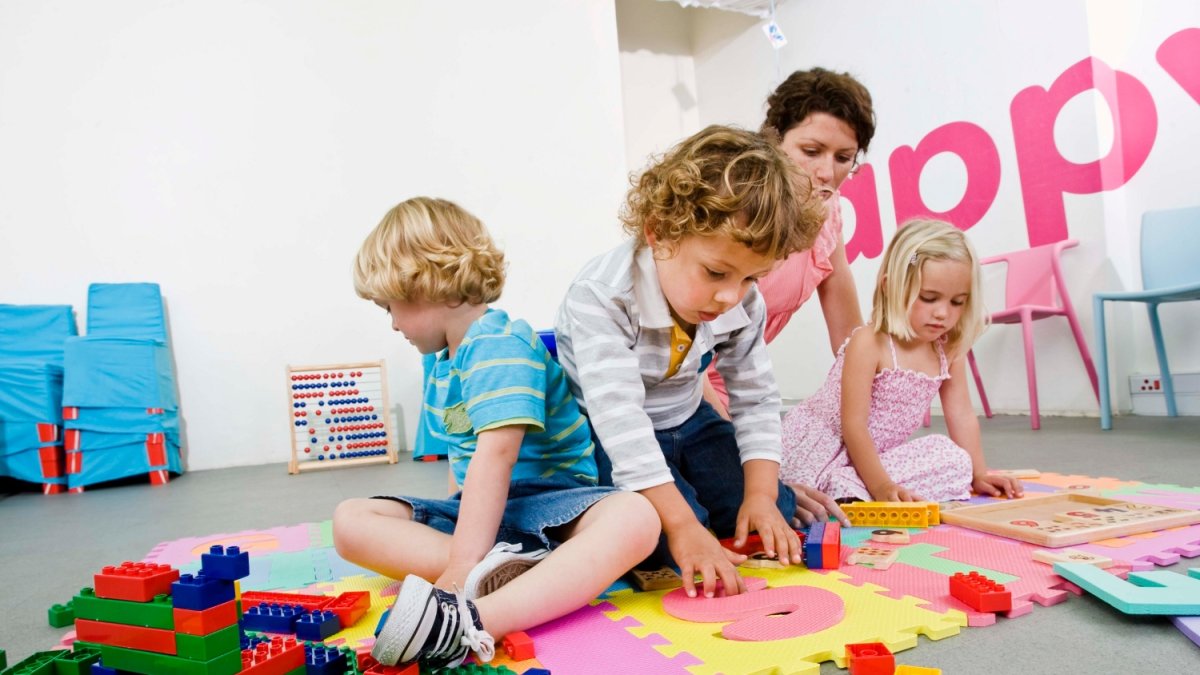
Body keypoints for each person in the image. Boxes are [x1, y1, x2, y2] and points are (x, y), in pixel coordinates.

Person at [333, 197, 660, 669]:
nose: (393, 324)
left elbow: (497, 456)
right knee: (350, 520)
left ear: (423, 284)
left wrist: (460, 567)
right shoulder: (445, 361)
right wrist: (463, 540)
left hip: (550, 502)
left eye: (391, 307)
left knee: (636, 517)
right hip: (486, 516)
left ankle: (473, 618)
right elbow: (464, 465)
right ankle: (527, 577)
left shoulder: (498, 343)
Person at [555, 125, 848, 601]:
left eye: (752, 277)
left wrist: (761, 495)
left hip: (690, 420)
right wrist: (681, 524)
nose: (730, 295)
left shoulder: (740, 301)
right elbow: (621, 423)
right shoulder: (602, 295)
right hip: (611, 437)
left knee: (766, 506)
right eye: (715, 272)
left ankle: (736, 502)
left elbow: (755, 397)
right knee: (659, 539)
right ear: (659, 232)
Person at [779, 219, 1024, 502]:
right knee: (829, 480)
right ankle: (837, 489)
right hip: (822, 448)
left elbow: (962, 414)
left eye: (958, 302)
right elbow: (853, 426)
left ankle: (848, 489)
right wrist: (881, 486)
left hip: (873, 458)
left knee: (956, 460)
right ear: (890, 287)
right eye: (929, 298)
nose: (943, 313)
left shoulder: (949, 348)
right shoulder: (870, 342)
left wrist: (979, 472)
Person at [706, 67, 876, 416]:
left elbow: (849, 340)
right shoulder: (734, 203)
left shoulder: (828, 211)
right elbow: (680, 346)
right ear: (773, 141)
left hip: (737, 386)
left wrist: (876, 414)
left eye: (844, 158)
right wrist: (723, 433)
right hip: (676, 379)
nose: (827, 173)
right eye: (811, 151)